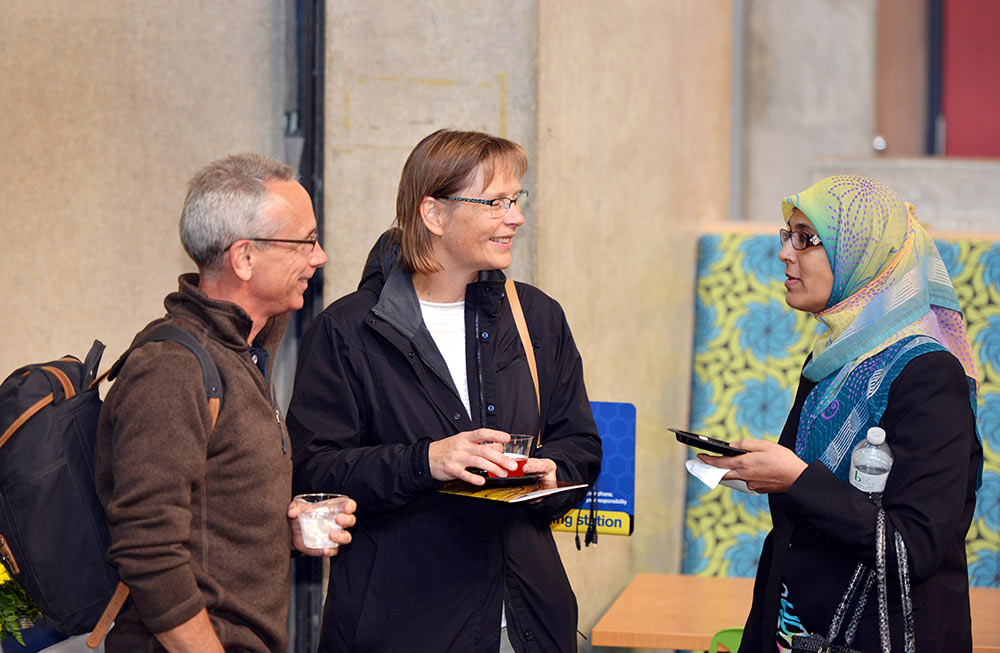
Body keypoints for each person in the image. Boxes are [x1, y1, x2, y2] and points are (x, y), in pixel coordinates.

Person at [286, 129, 602, 652]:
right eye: (496, 202)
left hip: (525, 621)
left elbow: (580, 446)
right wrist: (425, 461)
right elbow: (312, 470)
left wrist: (552, 473)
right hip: (401, 625)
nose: (516, 217)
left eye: (516, 200)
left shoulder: (537, 317)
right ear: (433, 214)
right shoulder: (347, 331)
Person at [703, 175, 982, 652]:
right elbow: (804, 518)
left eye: (806, 239)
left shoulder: (929, 375)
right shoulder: (829, 361)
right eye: (786, 236)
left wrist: (796, 479)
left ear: (863, 256)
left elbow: (912, 548)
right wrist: (761, 472)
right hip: (794, 629)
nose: (785, 253)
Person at [94, 153, 356, 653]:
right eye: (305, 241)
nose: (319, 257)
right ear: (244, 258)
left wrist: (283, 531)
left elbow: (211, 513)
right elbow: (148, 551)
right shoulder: (172, 367)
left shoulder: (242, 354)